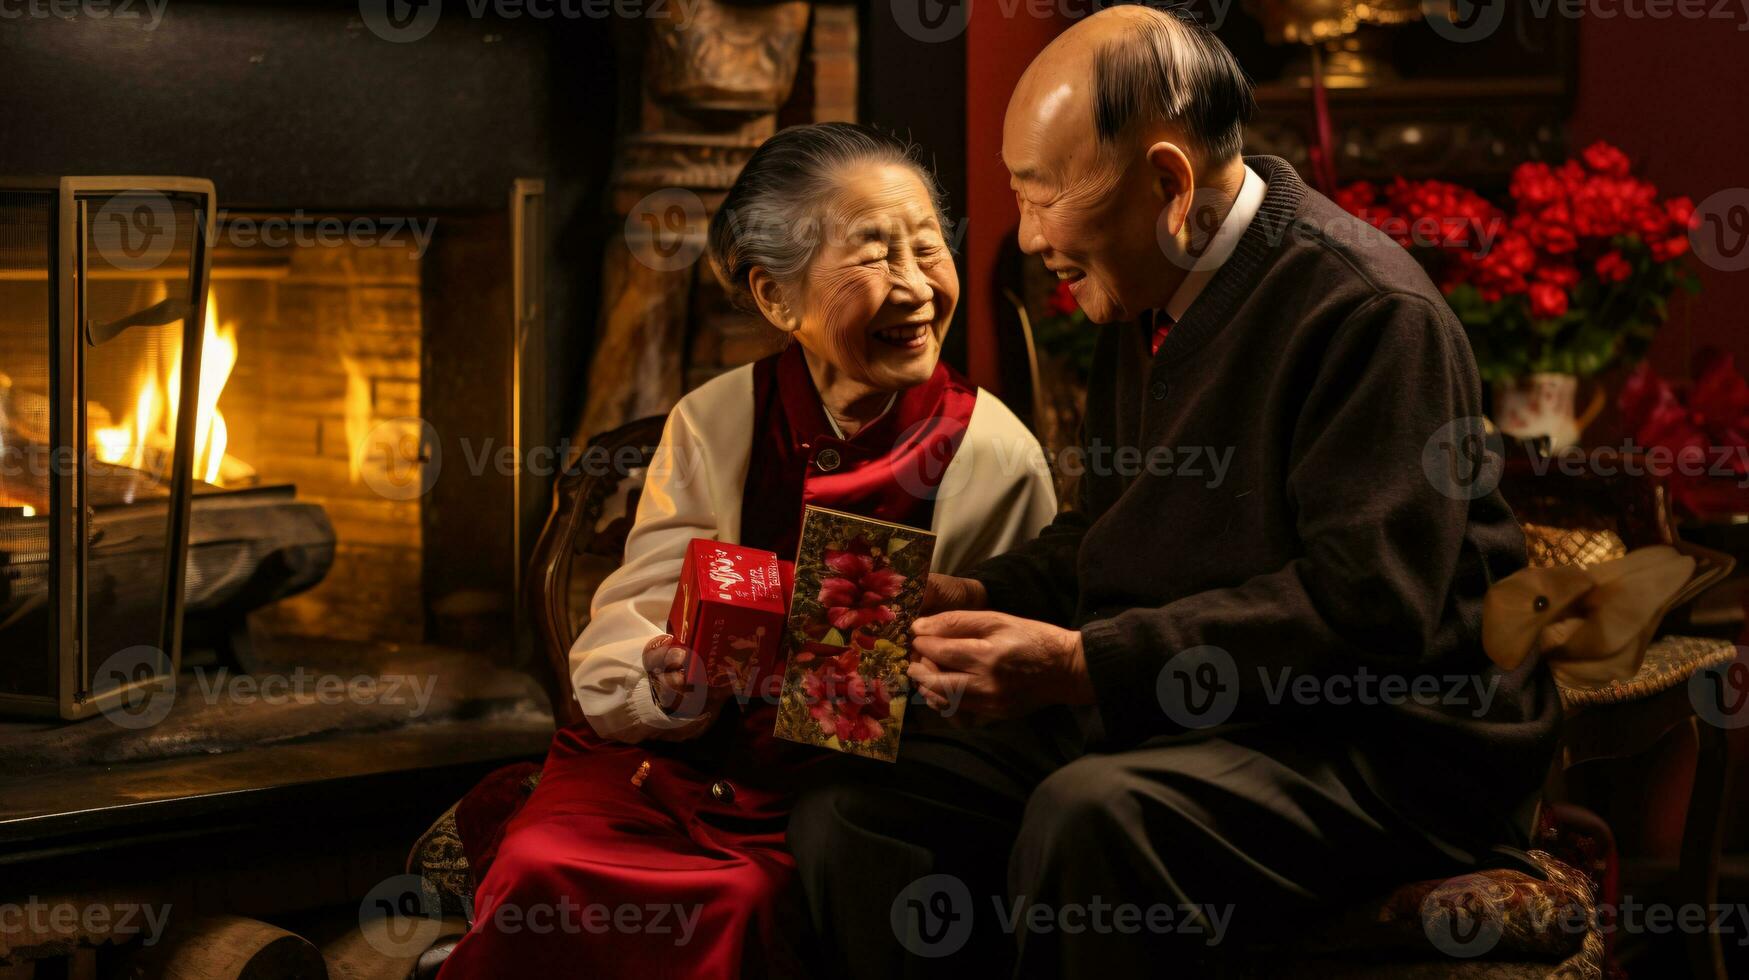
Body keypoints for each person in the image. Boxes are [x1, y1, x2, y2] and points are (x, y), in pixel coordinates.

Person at [787, 7, 1562, 978]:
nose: (1027, 238)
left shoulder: (1369, 312)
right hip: (1205, 705)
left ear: (1167, 182)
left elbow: (1369, 608)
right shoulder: (1155, 284)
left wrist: (1084, 664)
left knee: (1091, 816)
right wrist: (983, 594)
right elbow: (1118, 534)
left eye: (1041, 196)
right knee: (857, 807)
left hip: (1390, 744)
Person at [437, 122, 1057, 979]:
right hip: (662, 768)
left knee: (739, 904)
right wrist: (664, 677)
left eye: (926, 247)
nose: (915, 286)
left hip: (837, 800)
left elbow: (1006, 699)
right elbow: (635, 612)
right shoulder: (716, 417)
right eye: (874, 256)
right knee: (545, 860)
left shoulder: (993, 450)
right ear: (776, 299)